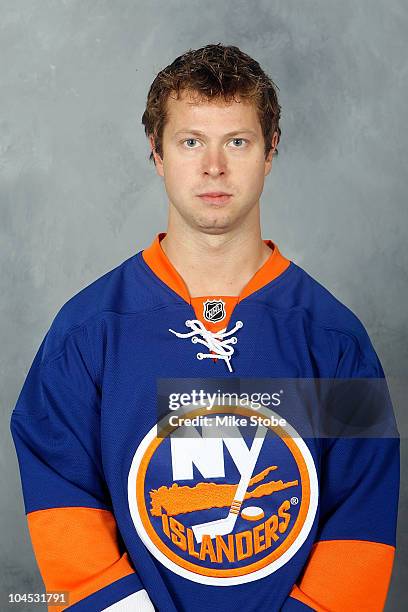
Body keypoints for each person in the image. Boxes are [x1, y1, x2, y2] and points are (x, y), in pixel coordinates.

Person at [10, 43, 399, 612]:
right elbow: (60, 489)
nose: (213, 167)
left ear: (270, 153)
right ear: (157, 154)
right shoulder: (89, 332)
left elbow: (361, 513)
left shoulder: (332, 340)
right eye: (191, 141)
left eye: (236, 142)